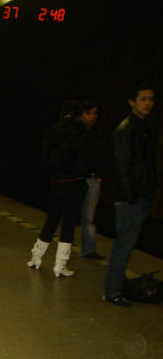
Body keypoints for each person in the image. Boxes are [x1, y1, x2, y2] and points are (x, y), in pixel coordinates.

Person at [103, 85, 156, 306]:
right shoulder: (127, 130)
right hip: (130, 198)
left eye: (150, 99)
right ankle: (112, 290)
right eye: (143, 99)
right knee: (124, 244)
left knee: (126, 243)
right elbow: (121, 165)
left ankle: (116, 284)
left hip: (137, 195)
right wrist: (132, 196)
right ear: (131, 102)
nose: (148, 103)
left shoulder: (140, 127)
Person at [26, 100, 87, 277]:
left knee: (52, 220)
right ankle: (60, 266)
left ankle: (36, 258)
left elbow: (44, 158)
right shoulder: (80, 132)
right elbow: (85, 160)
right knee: (68, 223)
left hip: (56, 182)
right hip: (74, 181)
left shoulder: (52, 131)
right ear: (78, 114)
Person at [76, 99, 106, 260]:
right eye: (88, 113)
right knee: (73, 214)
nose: (92, 117)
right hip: (77, 177)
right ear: (81, 115)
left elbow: (103, 155)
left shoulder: (97, 133)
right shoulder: (76, 132)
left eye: (94, 113)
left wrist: (100, 174)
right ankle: (66, 246)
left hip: (92, 178)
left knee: (88, 215)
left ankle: (87, 249)